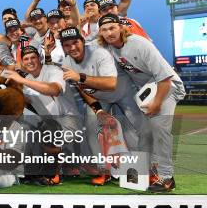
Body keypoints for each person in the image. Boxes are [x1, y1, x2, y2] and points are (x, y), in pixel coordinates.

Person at [98, 14, 184, 192]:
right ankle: (143, 172)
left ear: (121, 27)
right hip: (145, 92)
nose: (109, 32)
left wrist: (157, 103)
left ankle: (167, 178)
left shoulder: (140, 44)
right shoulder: (109, 48)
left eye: (112, 27)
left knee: (160, 129)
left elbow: (165, 78)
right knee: (144, 132)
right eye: (104, 30)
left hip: (165, 87)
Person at [60, 26, 146, 184]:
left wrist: (80, 76)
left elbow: (111, 83)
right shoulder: (67, 61)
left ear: (82, 41)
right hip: (99, 98)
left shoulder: (99, 52)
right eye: (67, 45)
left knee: (133, 129)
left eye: (75, 42)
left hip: (123, 92)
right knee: (91, 127)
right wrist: (98, 109)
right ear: (63, 47)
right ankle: (103, 170)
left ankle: (138, 173)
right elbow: (82, 88)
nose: (72, 47)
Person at [4, 46, 83, 186]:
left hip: (69, 120)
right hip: (47, 122)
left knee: (48, 130)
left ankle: (55, 172)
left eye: (33, 57)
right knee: (22, 128)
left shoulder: (53, 70)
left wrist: (22, 81)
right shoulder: (27, 78)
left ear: (39, 58)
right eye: (26, 59)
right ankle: (30, 172)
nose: (30, 61)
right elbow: (26, 101)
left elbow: (53, 90)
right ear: (22, 62)